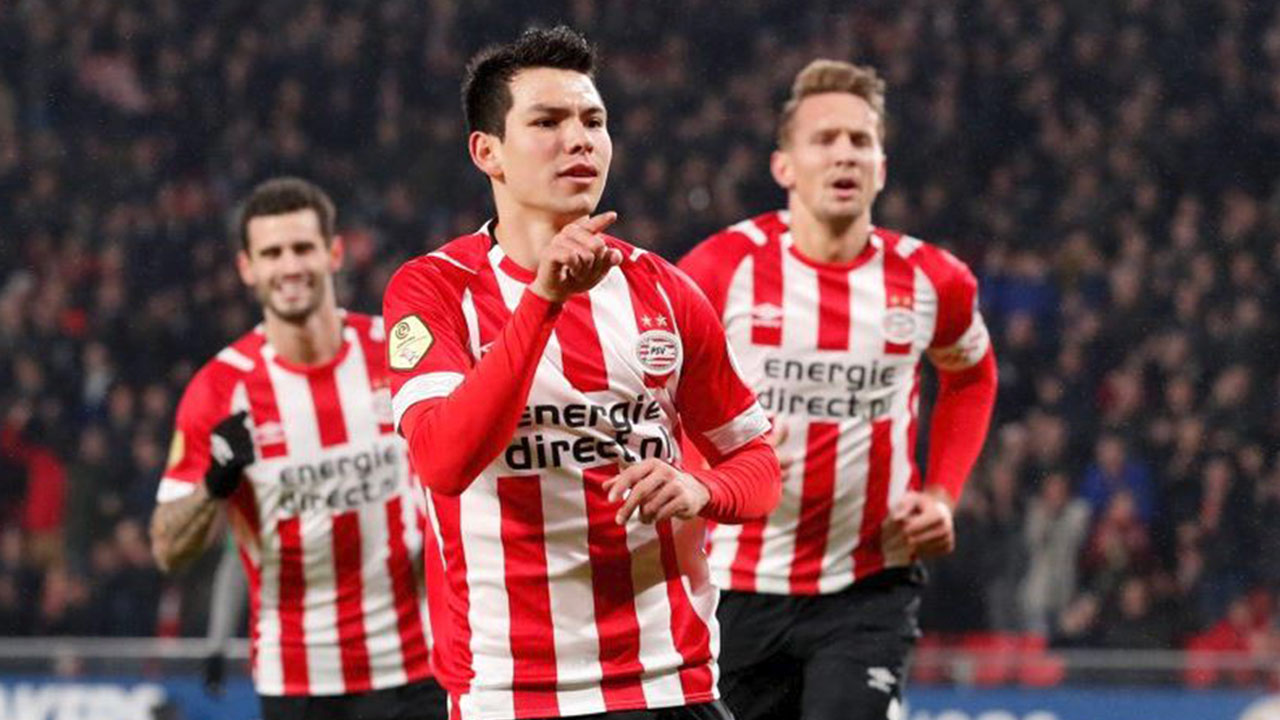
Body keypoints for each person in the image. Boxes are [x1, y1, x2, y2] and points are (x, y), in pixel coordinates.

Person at [382, 26, 781, 720]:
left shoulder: (665, 291)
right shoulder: (433, 290)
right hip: (513, 694)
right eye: (548, 122)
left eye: (593, 121)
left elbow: (758, 465)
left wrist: (700, 487)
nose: (580, 140)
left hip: (671, 683)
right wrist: (543, 301)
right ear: (487, 152)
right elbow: (444, 461)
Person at [678, 60, 998, 720]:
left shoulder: (933, 281)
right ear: (784, 166)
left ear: (881, 167)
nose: (845, 153)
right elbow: (659, 393)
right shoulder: (720, 270)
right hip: (735, 584)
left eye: (861, 140)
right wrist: (702, 480)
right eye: (824, 139)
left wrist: (943, 493)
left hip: (869, 585)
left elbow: (971, 376)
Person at [148, 177, 446, 720]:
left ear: (334, 253)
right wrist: (214, 484)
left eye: (303, 248)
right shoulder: (219, 389)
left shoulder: (397, 351)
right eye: (272, 253)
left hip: (420, 668)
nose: (289, 267)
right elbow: (168, 549)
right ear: (247, 268)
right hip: (299, 683)